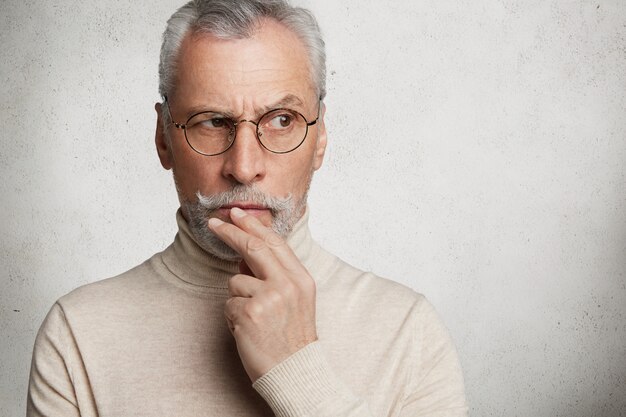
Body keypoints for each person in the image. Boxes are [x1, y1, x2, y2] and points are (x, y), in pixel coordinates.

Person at [27, 0, 468, 415]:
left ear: (320, 140)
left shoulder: (408, 331)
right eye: (213, 122)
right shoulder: (79, 335)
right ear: (164, 139)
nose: (244, 167)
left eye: (281, 120)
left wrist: (297, 371)